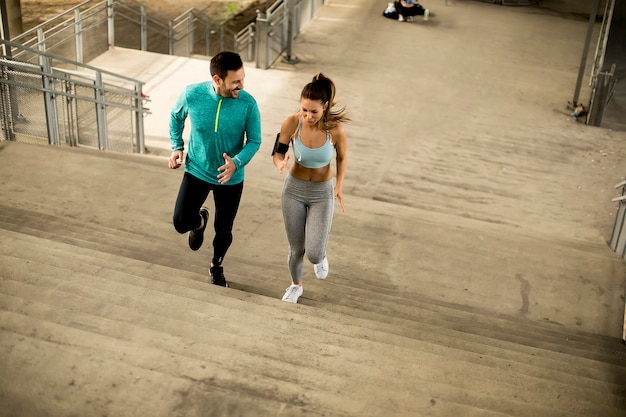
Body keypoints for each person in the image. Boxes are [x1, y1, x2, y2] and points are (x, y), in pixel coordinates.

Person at [168, 51, 261, 288]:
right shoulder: (193, 94)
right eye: (236, 81)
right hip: (197, 169)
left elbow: (254, 141)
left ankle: (216, 265)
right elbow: (176, 116)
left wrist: (237, 162)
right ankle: (199, 222)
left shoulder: (248, 104)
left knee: (224, 230)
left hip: (229, 178)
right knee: (180, 222)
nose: (241, 85)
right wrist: (177, 146)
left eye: (243, 78)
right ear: (218, 80)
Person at [272, 73, 349, 304]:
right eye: (304, 109)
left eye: (313, 111)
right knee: (296, 248)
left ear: (324, 107)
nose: (308, 116)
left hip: (321, 193)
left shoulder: (335, 130)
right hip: (294, 190)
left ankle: (321, 255)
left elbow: (342, 159)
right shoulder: (292, 122)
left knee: (314, 253)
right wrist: (280, 163)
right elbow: (277, 152)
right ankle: (296, 285)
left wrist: (338, 186)